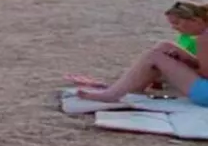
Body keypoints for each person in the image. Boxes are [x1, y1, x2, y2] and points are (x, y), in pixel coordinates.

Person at [77, 37, 208, 106]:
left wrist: (181, 64)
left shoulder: (204, 38)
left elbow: (205, 74)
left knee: (155, 55)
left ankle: (111, 94)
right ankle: (129, 86)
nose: (176, 28)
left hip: (204, 93)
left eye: (178, 23)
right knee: (165, 47)